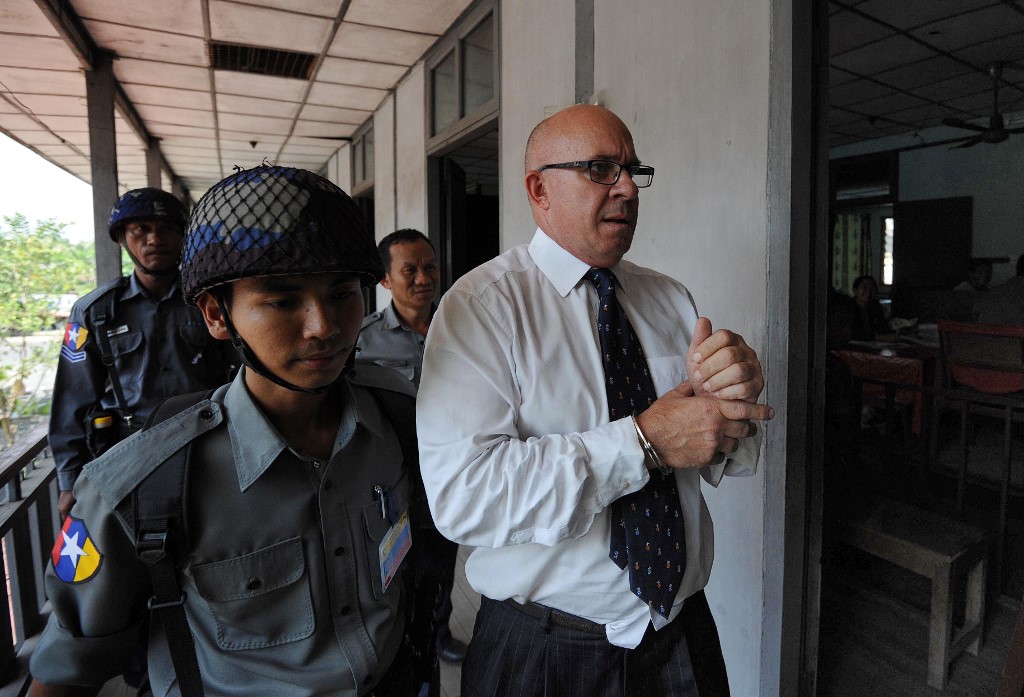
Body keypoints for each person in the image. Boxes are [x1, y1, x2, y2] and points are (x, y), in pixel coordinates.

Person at [417, 104, 774, 695]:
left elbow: (713, 450)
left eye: (633, 170)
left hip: (682, 632)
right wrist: (645, 442)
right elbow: (464, 496)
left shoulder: (671, 300)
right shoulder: (480, 309)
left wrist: (733, 403)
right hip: (544, 651)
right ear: (539, 190)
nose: (629, 189)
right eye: (601, 169)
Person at [30, 166, 418, 696]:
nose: (323, 326)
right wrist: (73, 477)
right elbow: (65, 674)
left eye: (343, 293)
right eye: (281, 301)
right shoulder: (132, 488)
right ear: (216, 314)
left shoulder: (401, 420)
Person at [48, 188, 237, 520]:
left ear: (183, 237)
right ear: (122, 238)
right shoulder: (94, 312)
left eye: (166, 229)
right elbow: (71, 401)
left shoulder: (213, 301)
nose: (154, 239)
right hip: (125, 454)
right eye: (140, 230)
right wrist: (68, 482)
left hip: (208, 448)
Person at [356, 228, 469, 675]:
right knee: (391, 562)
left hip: (450, 470)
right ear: (386, 279)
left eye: (430, 267)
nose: (424, 278)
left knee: (441, 561)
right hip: (391, 473)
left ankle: (436, 634)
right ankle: (390, 643)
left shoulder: (464, 328)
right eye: (410, 270)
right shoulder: (364, 341)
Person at [850, 274, 889, 341]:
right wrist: (877, 337)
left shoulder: (877, 307)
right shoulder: (848, 307)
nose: (869, 292)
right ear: (855, 290)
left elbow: (883, 328)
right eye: (864, 288)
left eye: (872, 288)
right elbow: (851, 334)